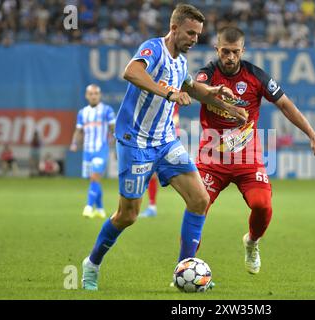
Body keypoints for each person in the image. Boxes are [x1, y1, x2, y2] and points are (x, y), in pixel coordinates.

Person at [81, 4, 247, 291]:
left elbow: (192, 88)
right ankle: (92, 263)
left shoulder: (181, 61)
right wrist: (168, 92)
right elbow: (130, 72)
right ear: (174, 28)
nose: (195, 39)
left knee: (199, 200)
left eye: (198, 35)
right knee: (128, 215)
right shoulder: (154, 48)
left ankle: (183, 272)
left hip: (166, 141)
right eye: (190, 33)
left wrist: (221, 101)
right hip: (136, 142)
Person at [186, 26, 315, 276]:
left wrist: (311, 133)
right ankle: (184, 267)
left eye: (234, 52)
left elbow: (285, 104)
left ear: (243, 50)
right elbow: (197, 91)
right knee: (198, 210)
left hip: (247, 159)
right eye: (225, 51)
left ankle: (251, 242)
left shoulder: (256, 76)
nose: (229, 57)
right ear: (216, 49)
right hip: (211, 158)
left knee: (262, 206)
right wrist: (226, 106)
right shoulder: (206, 74)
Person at [70, 84, 116, 219]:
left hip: (101, 149)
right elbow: (78, 130)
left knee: (95, 177)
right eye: (91, 93)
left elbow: (113, 127)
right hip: (87, 150)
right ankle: (100, 209)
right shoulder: (82, 112)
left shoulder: (107, 110)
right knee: (94, 180)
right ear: (86, 96)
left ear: (99, 95)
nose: (93, 96)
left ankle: (89, 207)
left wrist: (115, 139)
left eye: (96, 93)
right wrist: (74, 143)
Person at [139, 104, 180, 218]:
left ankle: (192, 198)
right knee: (151, 173)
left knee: (177, 173)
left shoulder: (172, 93)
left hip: (167, 137)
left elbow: (175, 116)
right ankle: (152, 206)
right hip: (156, 137)